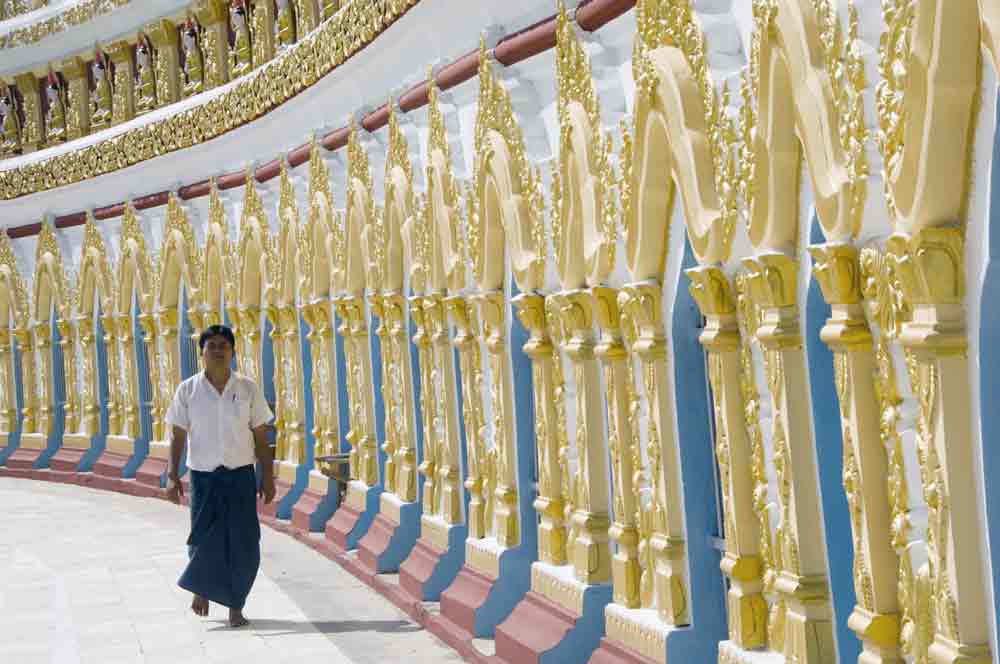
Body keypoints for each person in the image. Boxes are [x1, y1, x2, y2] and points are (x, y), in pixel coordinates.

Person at [165, 324, 275, 628]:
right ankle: (202, 588)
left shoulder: (247, 388)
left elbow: (261, 437)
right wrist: (172, 477)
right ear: (201, 352)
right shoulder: (188, 390)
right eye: (211, 345)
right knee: (202, 539)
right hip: (203, 477)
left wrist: (268, 477)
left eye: (222, 346)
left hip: (240, 476)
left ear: (233, 352)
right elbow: (177, 436)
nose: (217, 351)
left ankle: (235, 605)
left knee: (244, 542)